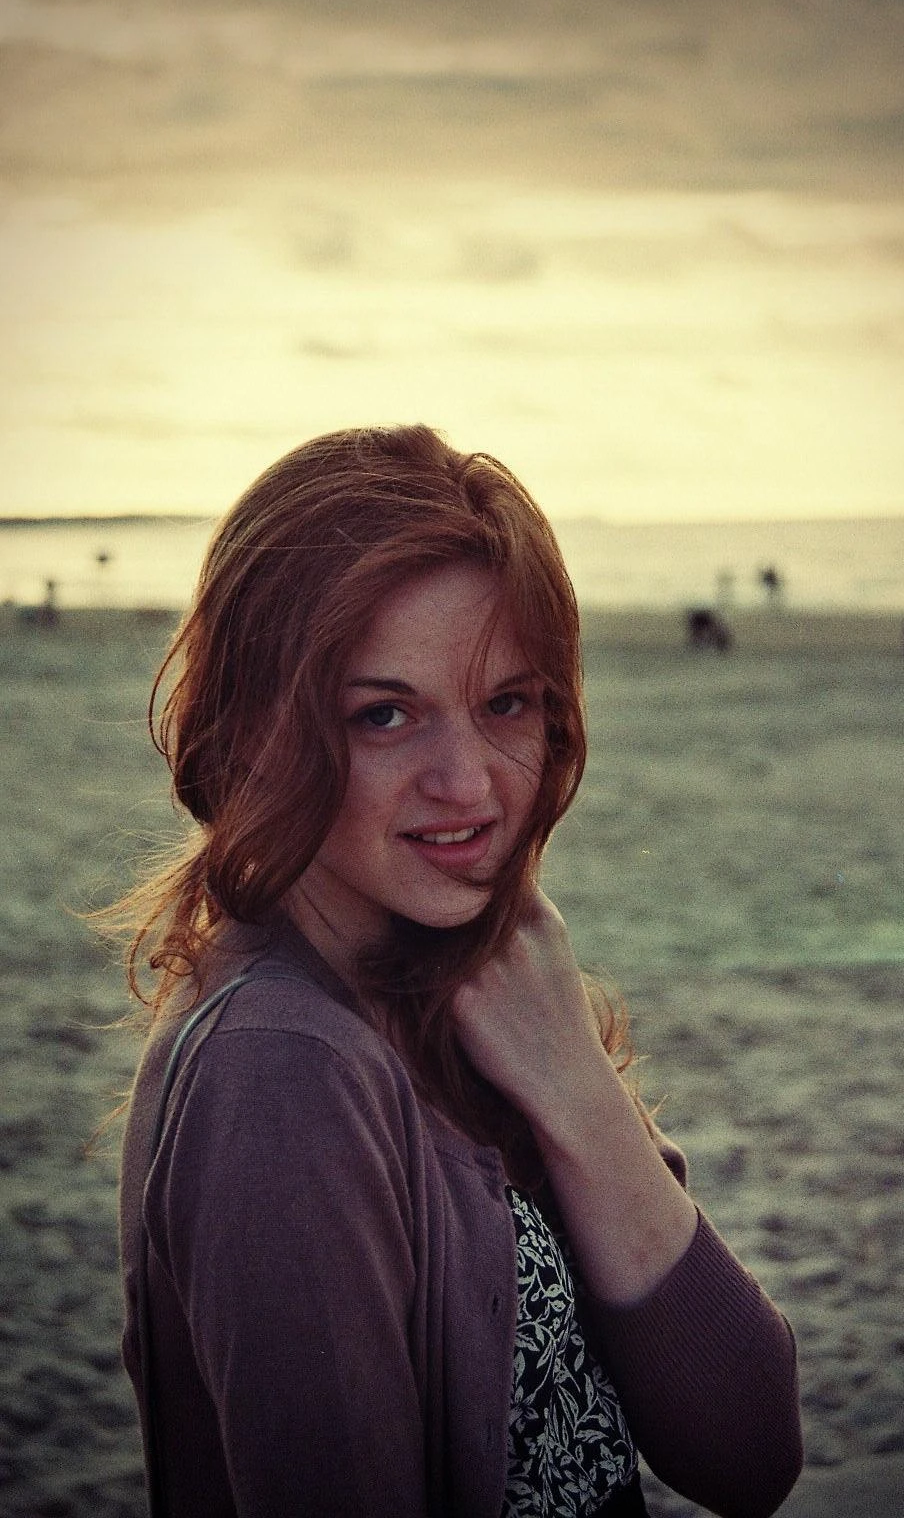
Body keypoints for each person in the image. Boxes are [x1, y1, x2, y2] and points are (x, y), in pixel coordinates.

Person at [111, 425, 803, 1518]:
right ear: (252, 731)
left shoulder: (488, 990)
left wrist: (574, 1086)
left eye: (506, 703)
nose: (469, 785)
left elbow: (749, 1451)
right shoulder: (284, 1069)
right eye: (384, 715)